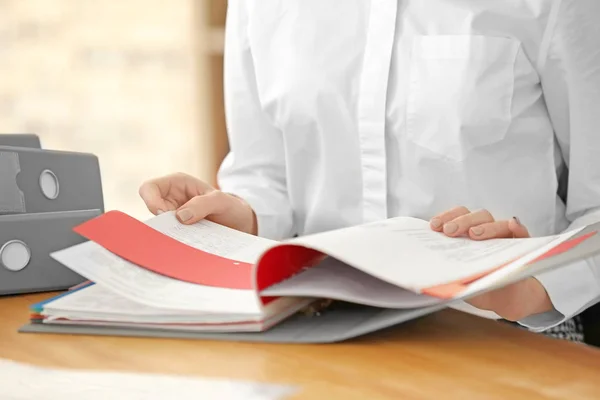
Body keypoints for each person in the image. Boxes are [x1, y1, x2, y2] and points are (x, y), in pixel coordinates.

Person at [139, 0, 600, 342]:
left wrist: (524, 293)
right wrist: (244, 219)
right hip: (313, 332)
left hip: (508, 337)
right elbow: (266, 179)